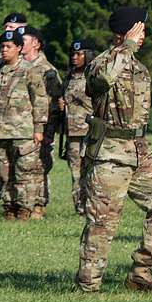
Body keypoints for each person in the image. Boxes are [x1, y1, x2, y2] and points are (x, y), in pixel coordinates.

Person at [76, 7, 152, 293]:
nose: (144, 35)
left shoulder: (140, 69)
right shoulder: (101, 62)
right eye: (139, 29)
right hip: (110, 153)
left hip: (139, 150)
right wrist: (127, 46)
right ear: (127, 32)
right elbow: (102, 81)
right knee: (103, 221)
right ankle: (89, 286)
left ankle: (141, 272)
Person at [0, 29, 48, 221]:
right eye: (2, 47)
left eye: (8, 47)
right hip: (0, 130)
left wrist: (39, 129)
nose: (4, 50)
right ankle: (9, 207)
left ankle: (24, 209)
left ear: (19, 48)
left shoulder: (30, 70)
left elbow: (40, 100)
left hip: (23, 131)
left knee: (24, 174)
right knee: (4, 173)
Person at [20, 26, 63, 219]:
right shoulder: (18, 66)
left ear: (36, 43)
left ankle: (38, 205)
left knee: (39, 166)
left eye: (24, 39)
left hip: (41, 127)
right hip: (19, 126)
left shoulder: (47, 70)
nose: (19, 43)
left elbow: (56, 102)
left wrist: (47, 131)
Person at [60, 39, 96, 215]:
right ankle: (80, 206)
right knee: (75, 171)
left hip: (89, 130)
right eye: (73, 54)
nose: (75, 57)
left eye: (79, 54)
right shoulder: (69, 77)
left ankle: (93, 205)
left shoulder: (93, 75)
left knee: (91, 170)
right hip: (72, 131)